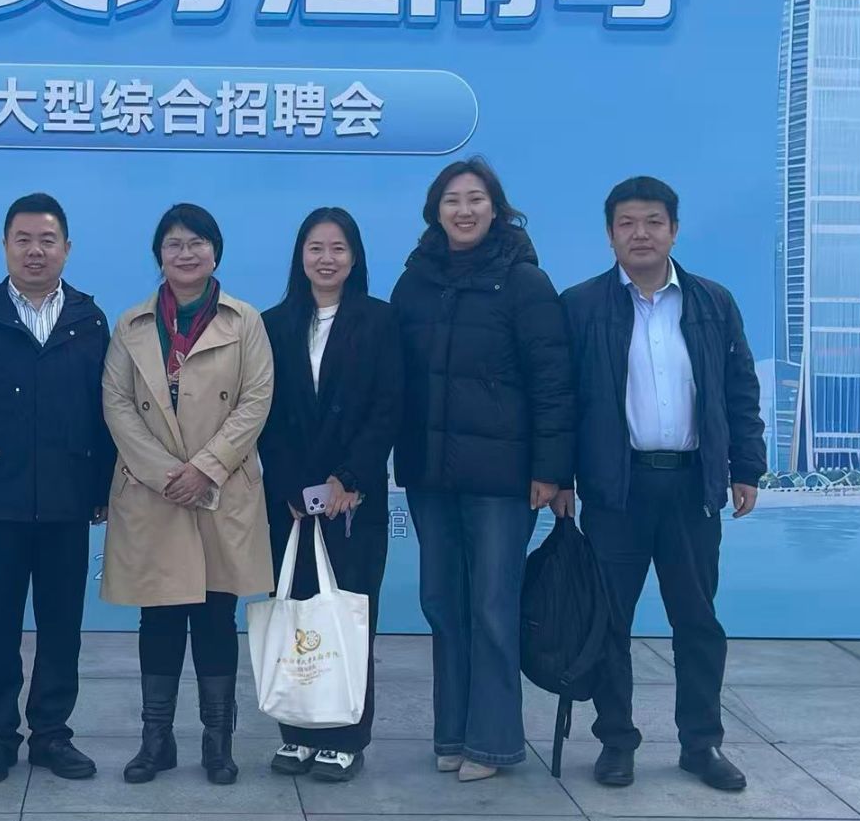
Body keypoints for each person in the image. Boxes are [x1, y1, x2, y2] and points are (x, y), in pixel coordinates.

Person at [560, 176, 764, 793]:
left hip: (691, 487)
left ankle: (701, 744)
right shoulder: (581, 306)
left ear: (674, 230)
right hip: (615, 489)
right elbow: (562, 402)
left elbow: (739, 390)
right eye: (626, 223)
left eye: (653, 221)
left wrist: (746, 468)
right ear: (609, 235)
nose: (640, 233)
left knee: (697, 623)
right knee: (610, 624)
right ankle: (616, 741)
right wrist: (560, 477)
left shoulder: (712, 303)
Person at [391, 156, 576, 781]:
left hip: (503, 479)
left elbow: (553, 382)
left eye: (475, 199)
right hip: (430, 476)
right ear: (435, 211)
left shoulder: (524, 282)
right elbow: (394, 380)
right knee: (442, 603)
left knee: (493, 607)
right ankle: (452, 732)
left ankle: (493, 743)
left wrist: (554, 471)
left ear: (496, 208)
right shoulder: (414, 282)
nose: (464, 210)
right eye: (452, 200)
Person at [0, 193, 115, 785]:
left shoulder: (90, 319)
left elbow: (106, 411)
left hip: (68, 497)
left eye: (47, 240)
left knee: (62, 625)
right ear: (5, 245)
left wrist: (102, 487)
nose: (35, 251)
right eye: (23, 239)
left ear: (67, 247)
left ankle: (52, 735)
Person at [101, 203, 275, 787]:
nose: (185, 253)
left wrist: (205, 468)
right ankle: (156, 741)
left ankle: (218, 744)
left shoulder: (245, 321)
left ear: (215, 252)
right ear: (159, 255)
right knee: (159, 616)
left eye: (197, 242)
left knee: (216, 616)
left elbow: (256, 401)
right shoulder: (132, 325)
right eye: (173, 243)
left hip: (219, 490)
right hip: (155, 492)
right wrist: (165, 473)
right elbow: (117, 405)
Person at [256, 208, 402, 784]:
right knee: (297, 613)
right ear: (300, 256)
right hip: (291, 502)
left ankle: (345, 737)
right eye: (315, 248)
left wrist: (349, 479)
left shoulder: (380, 321)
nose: (326, 258)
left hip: (353, 502)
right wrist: (291, 486)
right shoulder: (272, 324)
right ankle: (296, 731)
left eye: (338, 248)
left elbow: (388, 407)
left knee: (349, 616)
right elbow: (264, 413)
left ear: (354, 256)